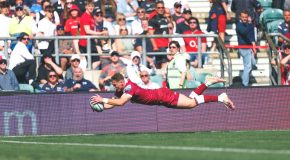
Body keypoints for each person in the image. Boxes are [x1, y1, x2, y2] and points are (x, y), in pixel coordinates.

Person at [89, 73, 235, 111]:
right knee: (191, 100)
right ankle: (208, 82)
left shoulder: (128, 88)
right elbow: (113, 103)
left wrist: (103, 100)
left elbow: (120, 103)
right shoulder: (122, 88)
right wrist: (101, 107)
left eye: (116, 85)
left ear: (121, 82)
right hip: (161, 99)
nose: (115, 88)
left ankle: (220, 97)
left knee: (191, 104)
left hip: (162, 96)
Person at [236, 10, 256, 87]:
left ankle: (244, 77)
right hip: (243, 48)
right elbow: (244, 32)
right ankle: (245, 84)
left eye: (246, 17)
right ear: (240, 17)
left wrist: (253, 46)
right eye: (243, 17)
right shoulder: (239, 25)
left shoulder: (248, 25)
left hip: (249, 47)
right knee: (248, 66)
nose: (244, 18)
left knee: (253, 63)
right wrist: (250, 24)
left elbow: (252, 36)